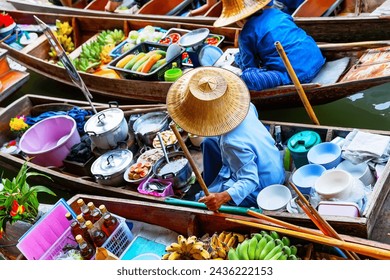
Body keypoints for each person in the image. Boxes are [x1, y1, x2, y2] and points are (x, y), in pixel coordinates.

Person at [166, 67, 285, 211]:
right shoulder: (246, 106)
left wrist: (221, 197)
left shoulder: (232, 143)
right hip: (271, 162)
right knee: (209, 142)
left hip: (264, 185)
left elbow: (250, 180)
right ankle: (210, 182)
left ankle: (208, 192)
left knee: (200, 200)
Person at [214, 0, 325, 92]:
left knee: (248, 77)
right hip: (317, 58)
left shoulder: (246, 34)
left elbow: (249, 66)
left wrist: (239, 59)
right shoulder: (277, 13)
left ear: (239, 20)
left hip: (297, 75)